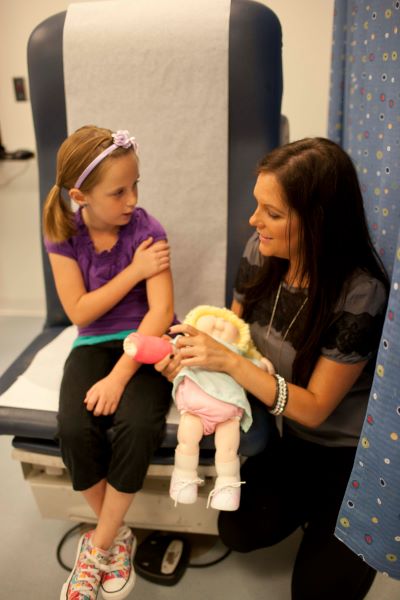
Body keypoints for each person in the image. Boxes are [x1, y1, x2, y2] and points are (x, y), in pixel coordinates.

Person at [157, 138, 389, 600]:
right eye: (256, 206)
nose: (253, 221)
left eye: (273, 213)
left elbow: (317, 408)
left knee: (317, 593)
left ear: (318, 220)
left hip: (348, 457)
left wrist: (226, 362)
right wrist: (190, 362)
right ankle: (311, 518)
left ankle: (334, 527)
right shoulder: (259, 253)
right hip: (290, 441)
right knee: (237, 531)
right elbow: (232, 336)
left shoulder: (360, 293)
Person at [43, 125, 174, 600]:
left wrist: (122, 374)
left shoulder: (148, 229)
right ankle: (117, 537)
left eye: (136, 185)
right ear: (81, 196)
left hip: (148, 340)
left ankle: (97, 548)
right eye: (119, 191)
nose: (132, 199)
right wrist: (135, 272)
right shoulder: (62, 232)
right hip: (92, 341)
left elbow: (160, 312)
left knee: (139, 424)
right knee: (73, 427)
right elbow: (79, 312)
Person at [124, 306, 274, 512]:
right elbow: (162, 349)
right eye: (211, 318)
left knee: (228, 449)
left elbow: (259, 369)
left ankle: (228, 485)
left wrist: (265, 365)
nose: (220, 322)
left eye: (228, 322)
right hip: (195, 408)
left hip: (227, 412)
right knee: (186, 439)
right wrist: (141, 345)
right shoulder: (188, 346)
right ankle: (184, 478)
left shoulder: (237, 354)